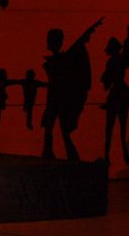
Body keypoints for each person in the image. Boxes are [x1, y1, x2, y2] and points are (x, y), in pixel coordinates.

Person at [41, 17, 104, 160]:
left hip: (59, 97)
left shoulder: (62, 60)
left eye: (51, 40)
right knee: (52, 126)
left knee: (59, 127)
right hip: (55, 96)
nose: (49, 42)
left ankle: (65, 152)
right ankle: (52, 151)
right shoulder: (60, 59)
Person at [100, 20, 129, 166]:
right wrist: (128, 32)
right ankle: (123, 154)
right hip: (122, 93)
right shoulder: (121, 59)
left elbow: (107, 81)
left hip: (116, 93)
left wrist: (128, 32)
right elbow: (128, 53)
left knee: (109, 128)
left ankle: (108, 156)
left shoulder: (112, 62)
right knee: (122, 127)